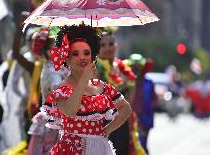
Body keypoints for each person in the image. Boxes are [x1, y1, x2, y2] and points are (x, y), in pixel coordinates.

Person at [41, 23, 132, 154]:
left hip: (100, 148)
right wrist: (84, 79)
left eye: (86, 53)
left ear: (93, 55)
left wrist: (106, 130)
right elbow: (70, 111)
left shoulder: (102, 86)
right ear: (66, 58)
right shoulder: (61, 89)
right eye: (75, 53)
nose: (82, 57)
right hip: (71, 150)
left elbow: (125, 109)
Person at [96, 28, 141, 155]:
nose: (108, 48)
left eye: (111, 44)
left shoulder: (121, 67)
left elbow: (131, 91)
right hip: (105, 120)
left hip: (123, 120)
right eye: (102, 45)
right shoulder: (96, 68)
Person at [27, 26, 68, 155]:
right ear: (49, 51)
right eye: (57, 47)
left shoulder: (61, 68)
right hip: (54, 124)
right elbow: (61, 92)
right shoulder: (51, 71)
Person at [124, 54, 156, 154]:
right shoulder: (125, 82)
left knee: (142, 144)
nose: (136, 69)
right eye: (134, 66)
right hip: (128, 119)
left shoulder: (149, 82)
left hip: (144, 120)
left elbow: (154, 99)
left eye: (138, 66)